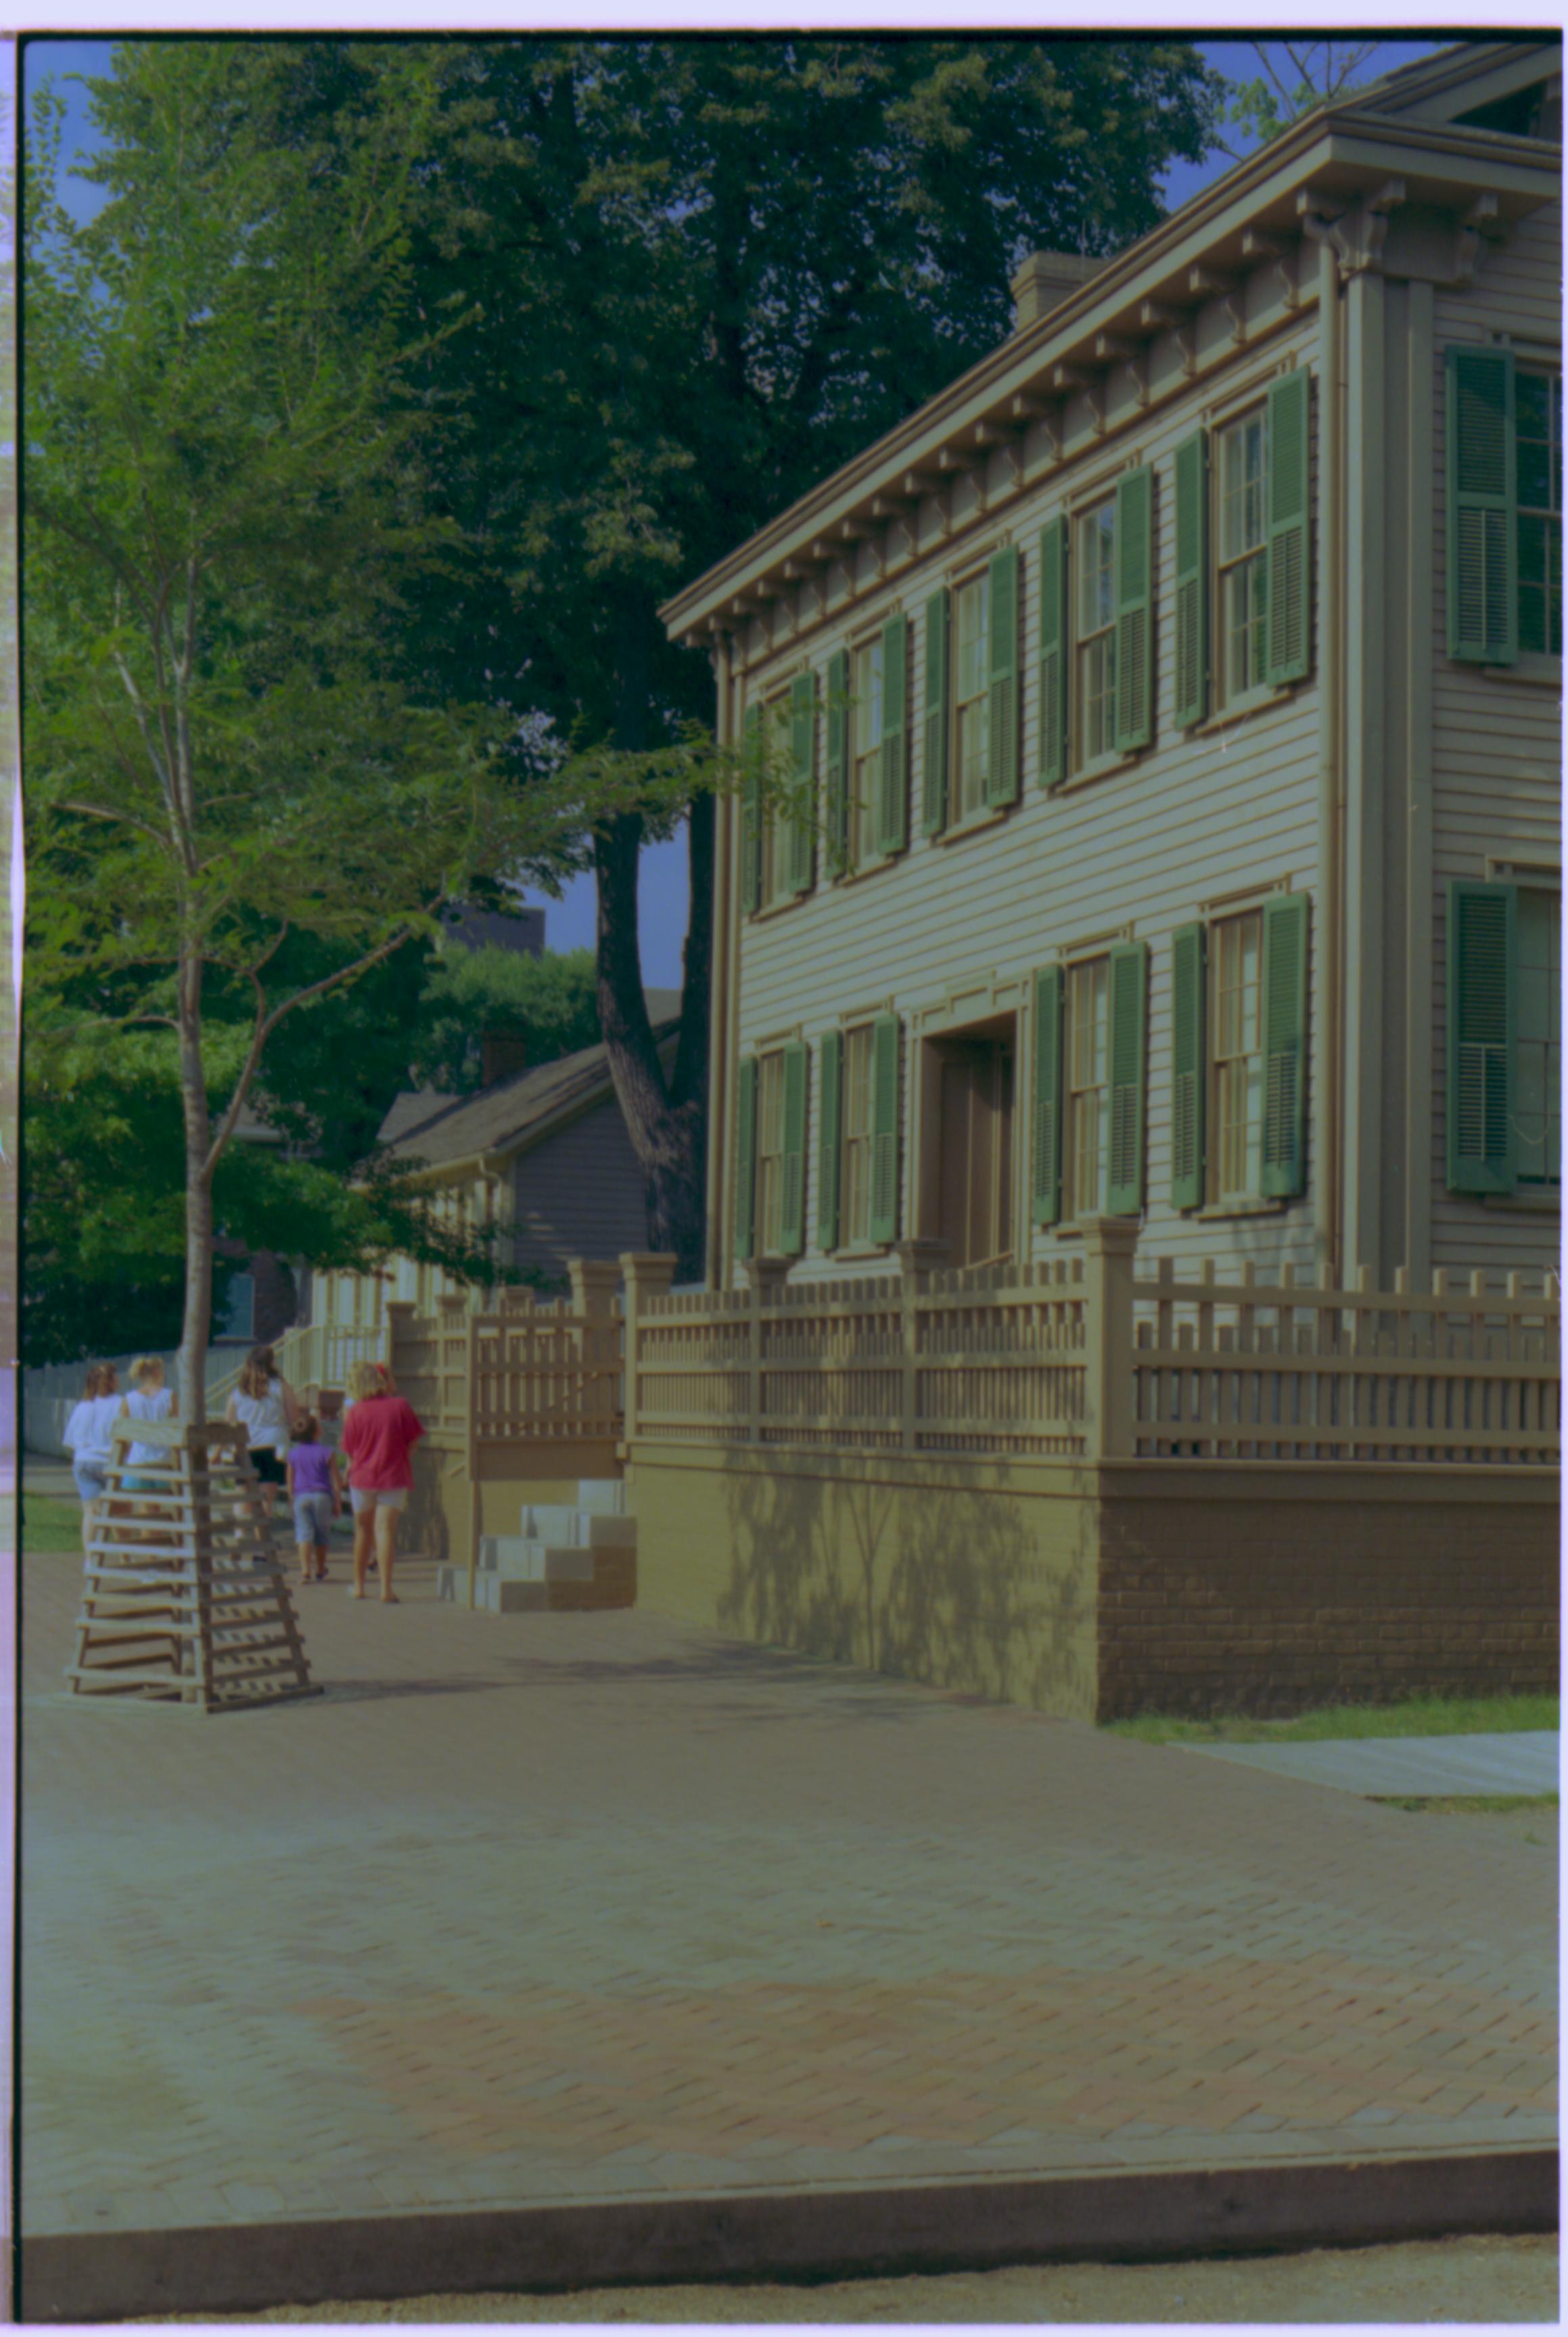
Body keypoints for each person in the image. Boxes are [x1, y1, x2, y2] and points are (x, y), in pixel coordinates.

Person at [339, 1359, 423, 1604]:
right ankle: (386, 1589)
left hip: (363, 1477)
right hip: (394, 1476)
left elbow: (350, 1450)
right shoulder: (401, 1406)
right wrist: (400, 1458)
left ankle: (359, 1586)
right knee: (385, 1530)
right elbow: (414, 1442)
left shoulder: (355, 1412)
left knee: (363, 1531)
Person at [225, 1344, 300, 1512]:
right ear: (271, 1363)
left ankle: (241, 1535)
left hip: (245, 1445)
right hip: (273, 1444)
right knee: (266, 1498)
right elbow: (294, 1418)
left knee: (243, 1495)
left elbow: (230, 1421)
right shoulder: (281, 1386)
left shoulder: (238, 1391)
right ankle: (262, 1535)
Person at [62, 1363, 124, 1556]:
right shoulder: (121, 1403)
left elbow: (70, 1440)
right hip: (108, 1462)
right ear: (111, 1382)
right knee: (117, 1511)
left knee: (90, 1512)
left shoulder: (83, 1406)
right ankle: (124, 1555)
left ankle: (90, 1559)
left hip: (83, 1462)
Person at [285, 1413, 342, 1587]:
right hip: (322, 1496)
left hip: (301, 1497)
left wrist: (291, 1502)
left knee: (303, 1534)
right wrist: (337, 1502)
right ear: (317, 1432)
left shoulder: (293, 1455)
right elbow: (336, 1480)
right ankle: (320, 1568)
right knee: (322, 1535)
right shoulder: (327, 1452)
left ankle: (305, 1570)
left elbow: (290, 1482)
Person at [122, 1354, 178, 1495]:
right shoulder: (169, 1396)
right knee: (161, 1501)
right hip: (163, 1460)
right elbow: (176, 1427)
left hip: (138, 1459)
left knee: (144, 1504)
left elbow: (122, 1432)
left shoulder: (129, 1399)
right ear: (157, 1372)